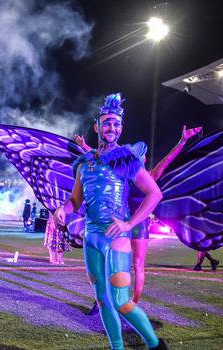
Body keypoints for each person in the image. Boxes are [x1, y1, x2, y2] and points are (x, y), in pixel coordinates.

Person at [53, 93, 167, 350]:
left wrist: (129, 224)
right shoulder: (84, 163)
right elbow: (75, 199)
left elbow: (155, 193)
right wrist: (64, 210)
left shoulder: (126, 159)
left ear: (121, 127)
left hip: (116, 237)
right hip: (91, 237)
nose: (111, 128)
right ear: (97, 126)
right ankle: (117, 347)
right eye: (106, 123)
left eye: (116, 123)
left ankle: (155, 345)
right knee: (102, 299)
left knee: (121, 301)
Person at [77, 124, 202, 312]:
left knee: (138, 265)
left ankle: (133, 304)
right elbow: (103, 157)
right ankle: (101, 301)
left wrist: (182, 141)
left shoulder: (150, 175)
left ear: (144, 158)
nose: (137, 156)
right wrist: (85, 147)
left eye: (141, 155)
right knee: (108, 263)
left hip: (139, 225)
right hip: (121, 223)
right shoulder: (123, 170)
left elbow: (168, 160)